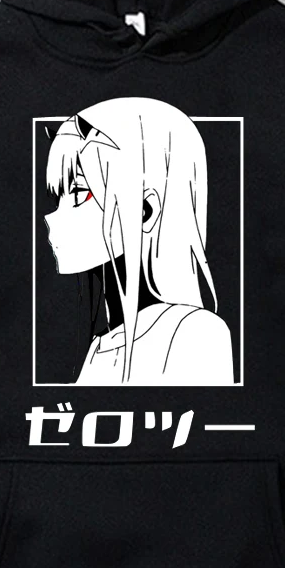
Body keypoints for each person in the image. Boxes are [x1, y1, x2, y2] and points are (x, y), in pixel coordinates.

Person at [44, 96, 234, 385]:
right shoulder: (99, 348)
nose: (51, 218)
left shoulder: (197, 333)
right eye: (58, 197)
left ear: (145, 211)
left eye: (80, 193)